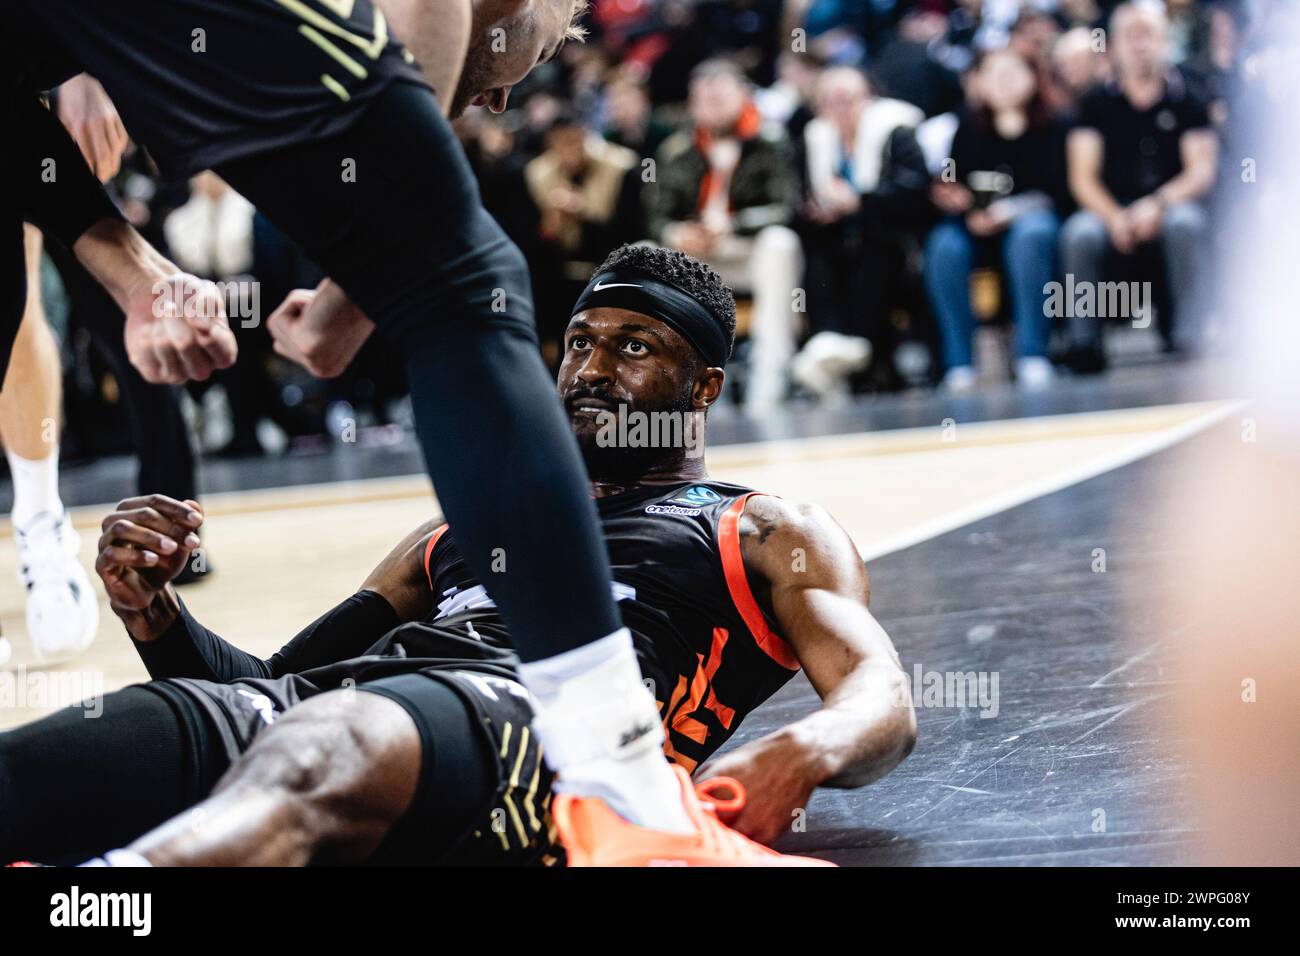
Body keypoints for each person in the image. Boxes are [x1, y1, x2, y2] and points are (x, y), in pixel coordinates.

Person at [10, 0, 712, 851]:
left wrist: (135, 271)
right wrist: (378, 275)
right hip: (399, 725)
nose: (497, 104)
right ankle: (618, 760)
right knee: (469, 285)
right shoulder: (442, 548)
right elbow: (414, 200)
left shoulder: (745, 529)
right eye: (546, 44)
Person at [0, 246, 916, 867]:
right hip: (359, 719)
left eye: (635, 349)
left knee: (338, 737)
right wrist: (154, 615)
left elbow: (880, 694)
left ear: (704, 387)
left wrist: (800, 752)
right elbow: (276, 685)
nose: (591, 372)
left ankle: (110, 901)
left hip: (550, 744)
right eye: (583, 344)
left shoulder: (761, 526)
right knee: (100, 742)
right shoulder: (458, 533)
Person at [1060, 0, 1218, 369]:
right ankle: (1083, 344)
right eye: (1130, 35)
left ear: (1164, 40)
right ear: (1112, 45)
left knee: (1186, 224)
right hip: (1111, 208)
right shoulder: (1095, 103)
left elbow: (1201, 171)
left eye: (1147, 34)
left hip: (1171, 203)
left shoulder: (1189, 96)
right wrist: (1116, 217)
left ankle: (1189, 335)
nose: (1139, 44)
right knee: (1080, 233)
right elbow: (1082, 178)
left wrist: (1157, 205)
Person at [648, 58, 802, 417]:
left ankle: (769, 383)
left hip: (745, 250)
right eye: (704, 98)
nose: (711, 104)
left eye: (721, 96)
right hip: (697, 255)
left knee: (782, 243)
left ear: (744, 96)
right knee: (646, 253)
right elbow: (656, 217)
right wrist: (679, 232)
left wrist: (733, 225)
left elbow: (785, 207)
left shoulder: (771, 141)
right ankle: (667, 388)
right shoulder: (676, 150)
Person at [925, 47, 1071, 393]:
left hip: (1032, 222)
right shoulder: (967, 128)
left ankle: (1032, 352)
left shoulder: (1055, 126)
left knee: (1030, 236)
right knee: (944, 247)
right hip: (976, 225)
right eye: (993, 73)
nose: (1003, 81)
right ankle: (959, 361)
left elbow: (1061, 191)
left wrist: (1009, 212)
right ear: (979, 83)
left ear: (1034, 77)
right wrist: (955, 199)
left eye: (1013, 71)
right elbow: (955, 182)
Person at [793, 65, 928, 401]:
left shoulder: (896, 131)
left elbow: (915, 194)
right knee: (816, 251)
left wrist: (859, 203)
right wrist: (816, 211)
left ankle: (856, 354)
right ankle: (828, 343)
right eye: (830, 101)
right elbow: (795, 201)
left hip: (889, 241)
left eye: (848, 99)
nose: (841, 109)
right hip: (833, 242)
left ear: (868, 99)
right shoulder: (813, 140)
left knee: (871, 250)